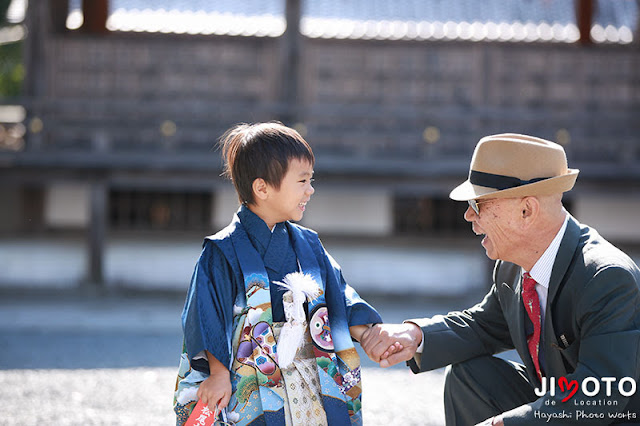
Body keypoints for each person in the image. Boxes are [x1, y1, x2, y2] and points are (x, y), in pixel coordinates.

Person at [360, 133, 640, 425]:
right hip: (558, 410)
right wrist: (416, 336)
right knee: (468, 376)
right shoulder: (512, 268)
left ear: (526, 210)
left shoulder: (607, 277)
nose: (469, 215)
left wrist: (505, 423)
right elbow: (483, 326)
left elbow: (603, 398)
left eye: (479, 204)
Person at [173, 122, 391, 426]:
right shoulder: (221, 251)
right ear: (262, 188)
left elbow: (337, 295)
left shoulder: (308, 244)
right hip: (247, 378)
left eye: (311, 180)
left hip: (310, 375)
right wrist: (219, 374)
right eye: (302, 181)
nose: (310, 189)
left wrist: (367, 332)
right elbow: (205, 314)